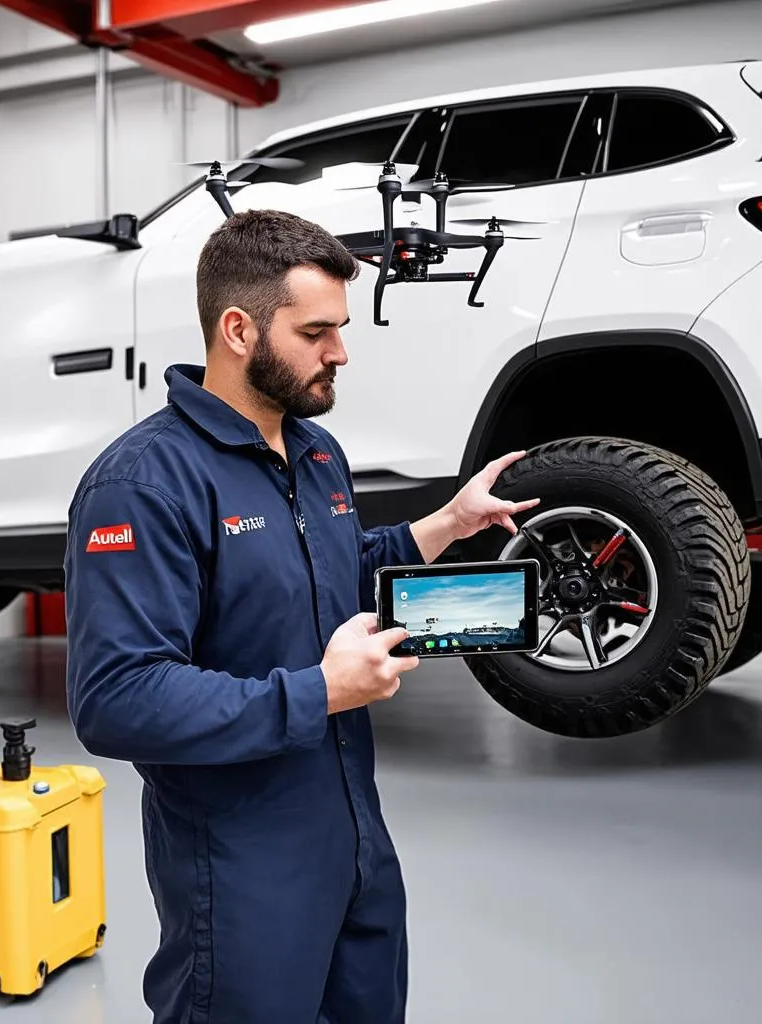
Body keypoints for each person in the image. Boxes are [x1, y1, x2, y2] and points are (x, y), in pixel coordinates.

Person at [64, 208, 539, 1024]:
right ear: (239, 329)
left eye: (341, 329)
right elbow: (117, 698)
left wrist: (445, 525)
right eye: (317, 331)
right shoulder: (143, 485)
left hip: (353, 834)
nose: (340, 353)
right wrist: (318, 693)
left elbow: (331, 572)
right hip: (240, 862)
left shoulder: (316, 452)